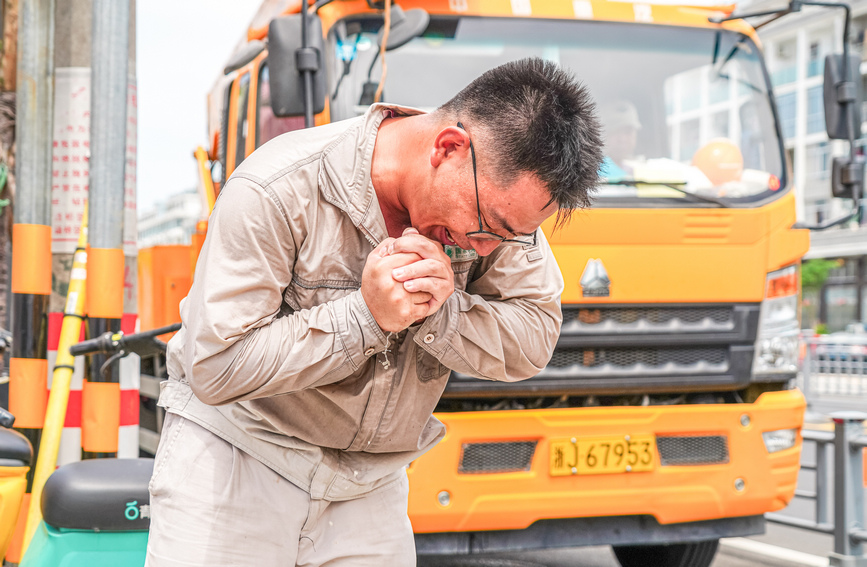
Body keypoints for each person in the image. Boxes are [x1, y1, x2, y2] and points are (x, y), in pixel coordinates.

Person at [145, 57, 603, 567]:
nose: (486, 248)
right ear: (448, 147)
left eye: (509, 237)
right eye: (486, 226)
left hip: (370, 485)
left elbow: (534, 340)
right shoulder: (277, 187)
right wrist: (365, 317)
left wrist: (439, 309)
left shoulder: (502, 212)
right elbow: (217, 365)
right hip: (236, 460)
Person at [599, 99, 641, 180]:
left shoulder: (640, 170)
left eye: (628, 132)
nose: (622, 139)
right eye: (615, 132)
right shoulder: (595, 173)